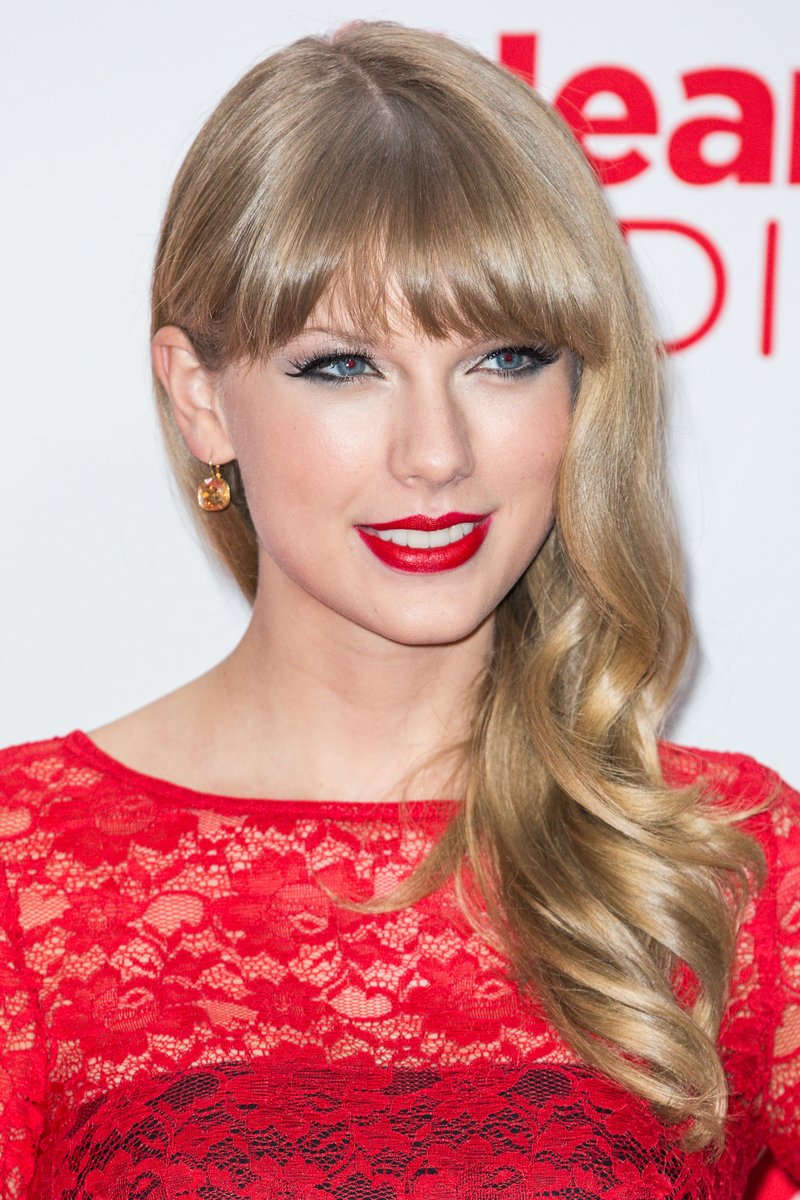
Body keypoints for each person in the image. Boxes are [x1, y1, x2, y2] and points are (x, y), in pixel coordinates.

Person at [0, 20, 797, 1199]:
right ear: (200, 397)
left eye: (504, 359)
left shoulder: (729, 866)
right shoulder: (25, 878)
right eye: (342, 366)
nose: (436, 453)